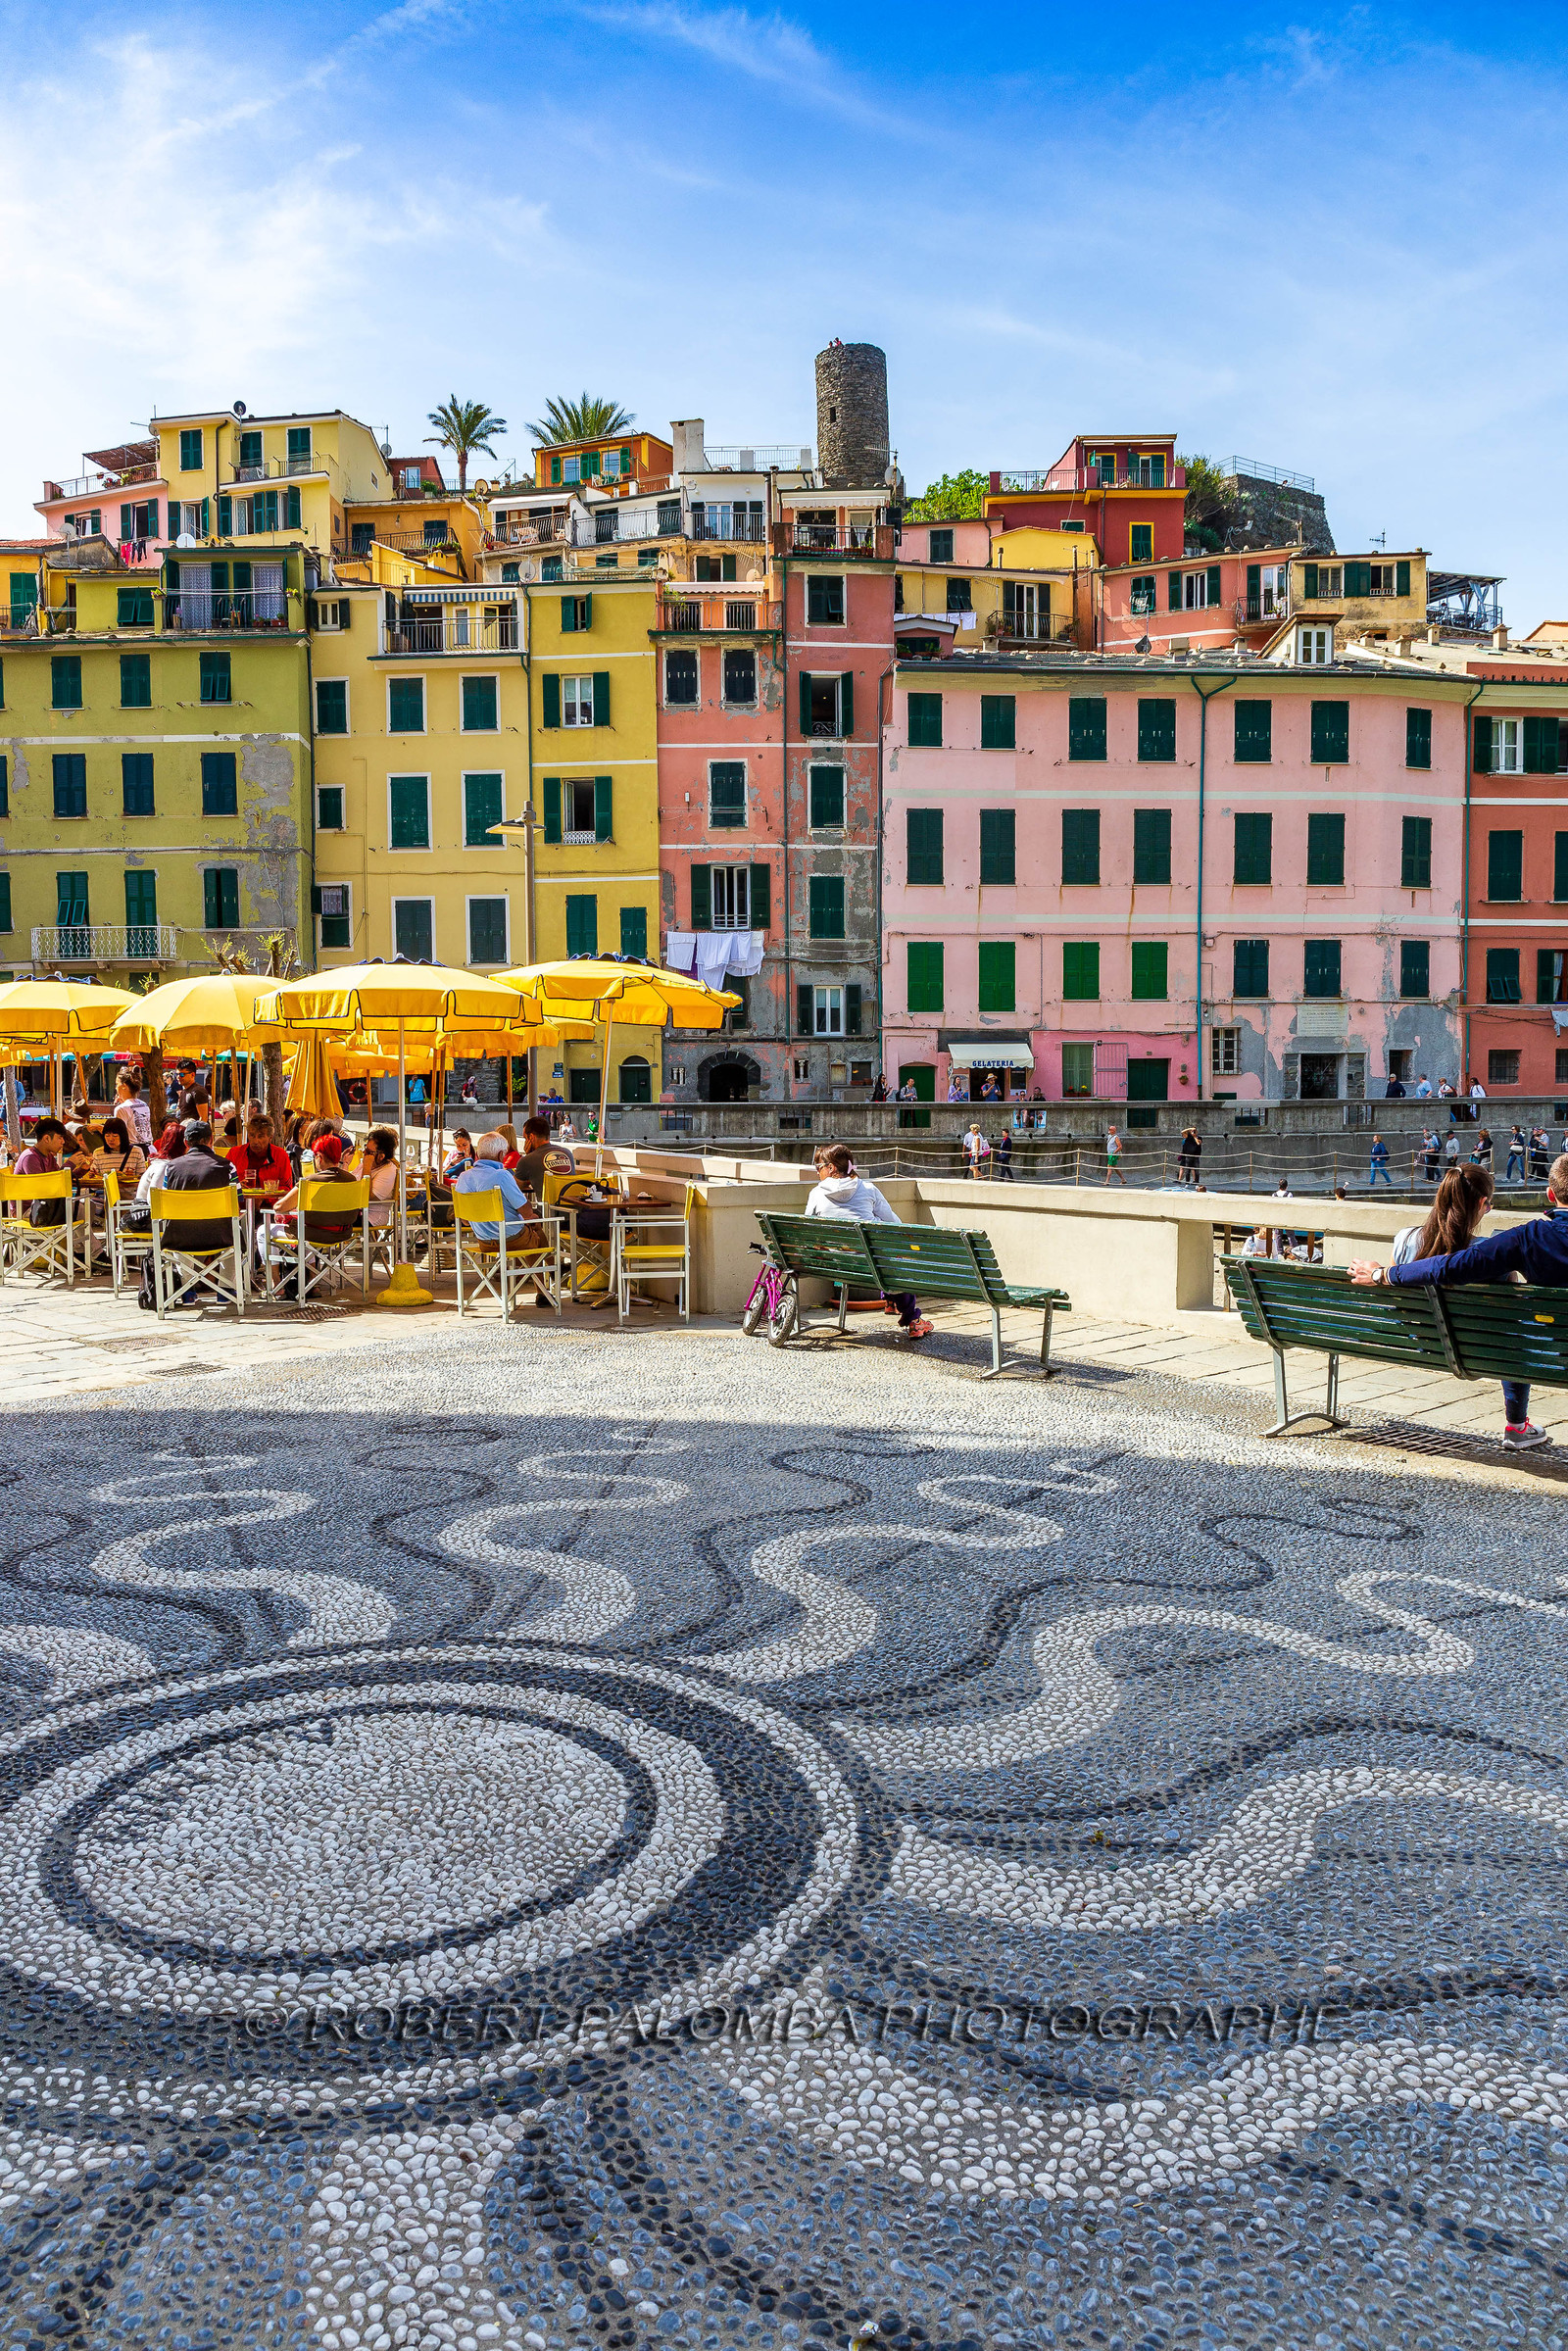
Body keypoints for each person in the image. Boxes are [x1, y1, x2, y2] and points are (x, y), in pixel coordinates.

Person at [1349, 1152, 1568, 1451]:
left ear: (1550, 1194)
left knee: (1517, 1332)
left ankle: (1517, 1425)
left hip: (1552, 1353)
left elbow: (1447, 1267)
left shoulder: (1526, 1238)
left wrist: (1381, 1274)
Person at [805, 1143, 931, 1338]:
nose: (817, 1172)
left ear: (831, 1168)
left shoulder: (816, 1194)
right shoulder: (868, 1188)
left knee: (882, 1259)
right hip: (870, 1265)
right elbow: (894, 1224)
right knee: (894, 1260)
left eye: (819, 1167)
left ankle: (891, 1300)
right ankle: (912, 1319)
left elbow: (807, 1228)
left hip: (835, 1265)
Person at [1389, 1163, 1494, 1269]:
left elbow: (1393, 1278)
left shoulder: (1404, 1239)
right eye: (1488, 1206)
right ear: (1481, 1203)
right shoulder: (1492, 1253)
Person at [451, 1131, 534, 1245]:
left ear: (478, 1156)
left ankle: (520, 1262)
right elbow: (527, 1212)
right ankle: (547, 1262)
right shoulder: (502, 1176)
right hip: (511, 1240)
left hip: (484, 1242)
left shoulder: (464, 1177)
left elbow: (465, 1221)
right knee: (535, 1227)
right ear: (501, 1155)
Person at [13, 1116, 69, 1226]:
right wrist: (70, 1164)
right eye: (60, 1138)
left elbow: (59, 1179)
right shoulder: (30, 1157)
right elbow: (41, 1189)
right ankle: (68, 1243)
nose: (63, 1142)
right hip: (29, 1210)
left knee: (81, 1207)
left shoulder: (49, 1157)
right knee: (76, 1209)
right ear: (47, 1138)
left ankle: (73, 1243)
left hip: (45, 1205)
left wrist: (81, 1168)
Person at [228, 1112, 292, 1200]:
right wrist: (237, 1186)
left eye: (261, 1136)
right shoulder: (235, 1153)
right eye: (252, 1135)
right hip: (241, 1206)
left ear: (270, 1137)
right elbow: (224, 1182)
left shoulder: (280, 1155)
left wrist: (264, 1197)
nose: (255, 1141)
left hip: (270, 1208)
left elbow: (287, 1188)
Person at [354, 1128, 402, 1231]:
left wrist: (367, 1168)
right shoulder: (365, 1163)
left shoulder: (388, 1171)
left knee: (331, 1220)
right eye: (365, 1149)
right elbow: (349, 1181)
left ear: (381, 1156)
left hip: (371, 1217)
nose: (364, 1153)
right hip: (355, 1212)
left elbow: (367, 1196)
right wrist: (344, 1164)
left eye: (368, 1152)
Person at [92, 1116, 146, 1191]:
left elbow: (144, 1181)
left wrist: (131, 1178)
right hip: (105, 1198)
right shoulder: (98, 1153)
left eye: (115, 1136)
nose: (111, 1139)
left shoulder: (136, 1152)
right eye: (107, 1135)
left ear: (123, 1136)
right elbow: (93, 1187)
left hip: (129, 1199)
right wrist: (94, 1177)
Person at [114, 1070, 154, 1151]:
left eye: (117, 1084)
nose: (116, 1088)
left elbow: (118, 1135)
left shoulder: (121, 1109)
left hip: (132, 1152)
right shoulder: (144, 1105)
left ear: (124, 1085)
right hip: (150, 1149)